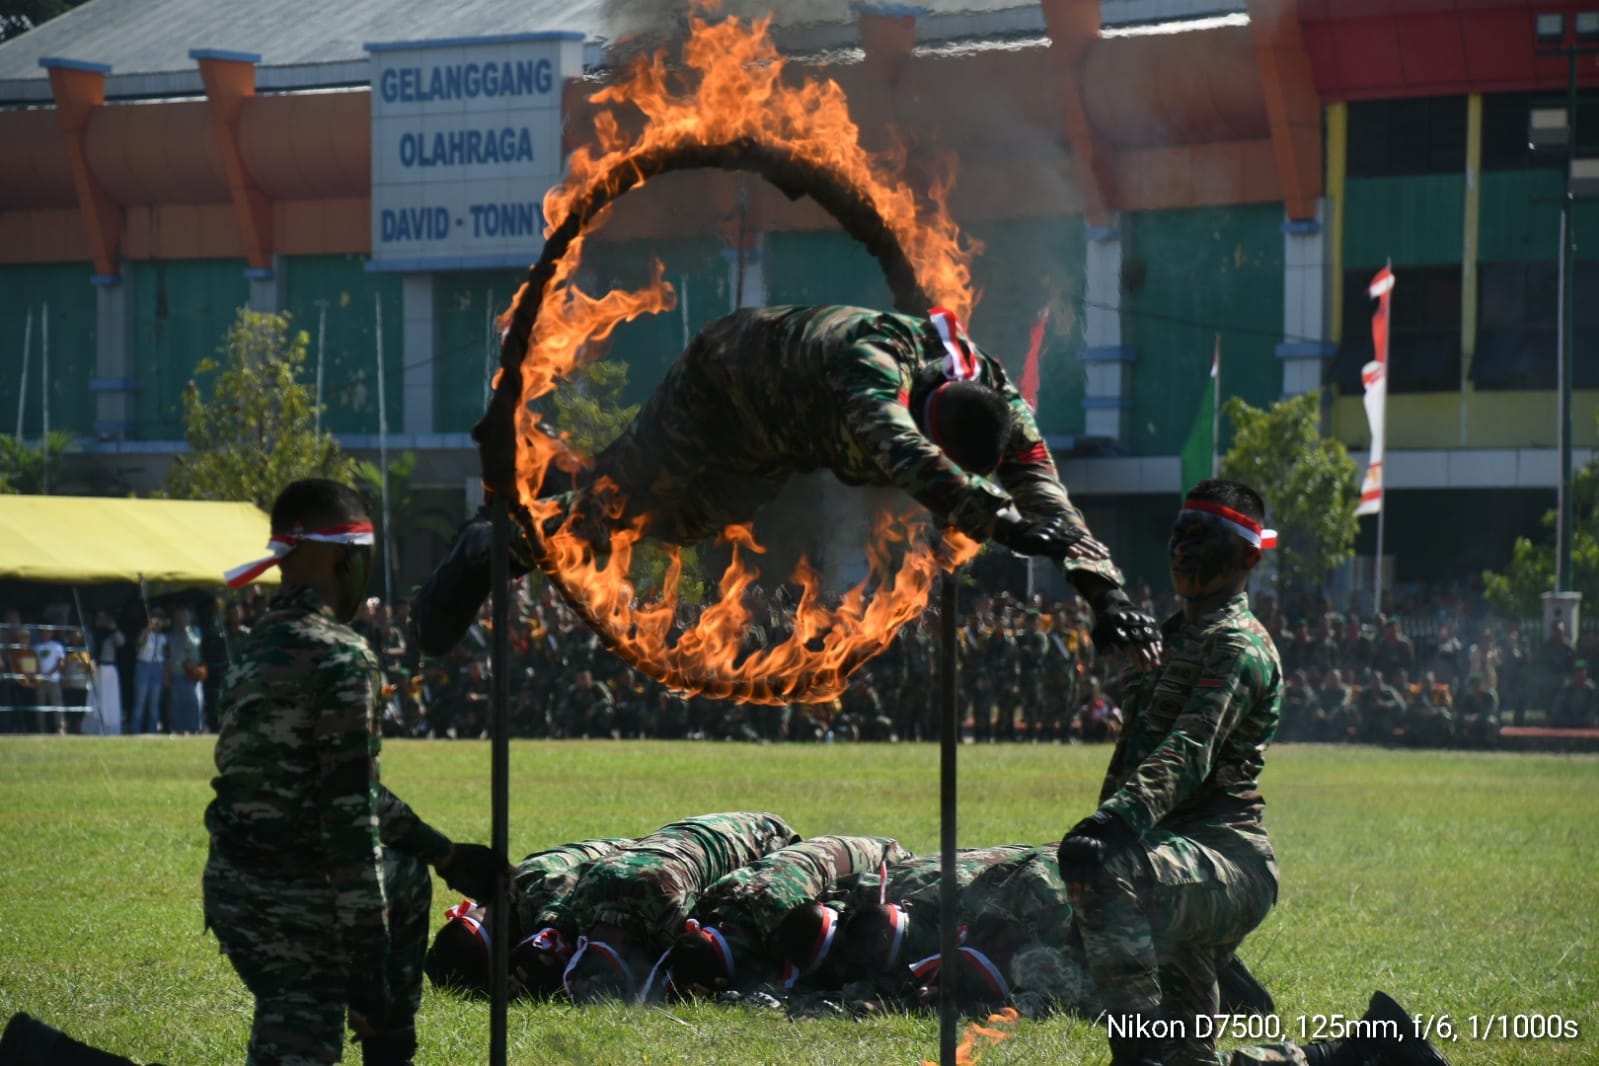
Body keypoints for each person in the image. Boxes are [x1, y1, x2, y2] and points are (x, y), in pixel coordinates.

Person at [416, 305, 1160, 673]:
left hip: (777, 442)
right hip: (724, 386)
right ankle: (495, 543)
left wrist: (1108, 595)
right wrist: (993, 520)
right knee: (622, 505)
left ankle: (525, 527)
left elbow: (1052, 504)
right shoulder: (874, 366)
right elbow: (897, 452)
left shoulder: (1000, 399)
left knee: (679, 527)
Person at [1054, 479, 1450, 1066]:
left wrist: (1112, 826)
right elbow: (1135, 752)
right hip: (1173, 858)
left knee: (1108, 868)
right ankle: (1360, 1051)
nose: (1182, 549)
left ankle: (1137, 1058)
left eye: (1202, 537)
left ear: (1248, 556)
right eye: (1178, 534)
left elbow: (1191, 747)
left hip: (1227, 860)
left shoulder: (1238, 643)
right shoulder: (1168, 637)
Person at [204, 478, 511, 1066]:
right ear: (345, 560)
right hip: (290, 901)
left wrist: (443, 855)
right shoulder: (340, 656)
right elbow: (347, 820)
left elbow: (352, 790)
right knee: (298, 1037)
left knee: (409, 872)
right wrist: (369, 963)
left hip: (232, 890)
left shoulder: (253, 646)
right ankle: (387, 1047)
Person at [516, 811, 800, 1004]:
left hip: (763, 836)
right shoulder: (585, 896)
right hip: (690, 831)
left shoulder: (666, 910)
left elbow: (700, 949)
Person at [664, 834, 909, 996]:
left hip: (878, 855)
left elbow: (838, 928)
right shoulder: (713, 900)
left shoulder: (778, 912)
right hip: (821, 851)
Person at [165, 605, 204, 735]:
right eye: (180, 617)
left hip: (192, 673)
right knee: (177, 702)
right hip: (177, 673)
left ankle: (195, 729)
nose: (182, 619)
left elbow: (195, 644)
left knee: (194, 701)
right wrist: (167, 674)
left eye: (184, 617)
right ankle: (178, 729)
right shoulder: (171, 635)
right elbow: (169, 656)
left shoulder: (196, 631)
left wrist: (187, 631)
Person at [130, 610, 167, 735]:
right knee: (140, 701)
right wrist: (148, 628)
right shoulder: (145, 633)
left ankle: (153, 731)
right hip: (144, 666)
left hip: (158, 667)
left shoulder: (163, 637)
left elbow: (167, 654)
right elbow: (139, 643)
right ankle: (136, 730)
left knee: (154, 703)